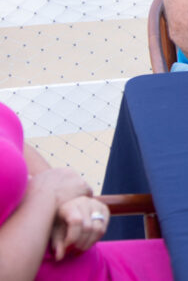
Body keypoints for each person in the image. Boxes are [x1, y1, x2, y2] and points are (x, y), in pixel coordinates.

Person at [0, 101, 172, 280]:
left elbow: (13, 141)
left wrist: (67, 198)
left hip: (102, 262)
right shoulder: (45, 192)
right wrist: (47, 193)